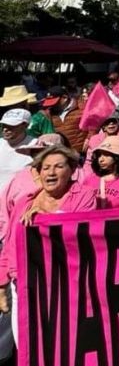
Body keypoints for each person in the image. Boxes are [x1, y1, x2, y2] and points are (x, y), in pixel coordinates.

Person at [0, 145, 96, 345]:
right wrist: (2, 283)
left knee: (61, 342)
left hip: (65, 281)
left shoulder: (85, 195)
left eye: (58, 166)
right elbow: (9, 243)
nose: (51, 172)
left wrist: (45, 219)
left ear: (71, 170)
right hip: (24, 281)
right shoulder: (24, 203)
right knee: (26, 342)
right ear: (38, 172)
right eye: (45, 167)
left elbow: (81, 228)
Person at [46, 86, 88, 152]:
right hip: (63, 152)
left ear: (65, 98)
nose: (52, 105)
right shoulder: (49, 112)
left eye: (55, 102)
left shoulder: (82, 107)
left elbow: (93, 125)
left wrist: (89, 138)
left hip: (82, 151)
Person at [0, 109, 35, 187]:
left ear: (25, 125)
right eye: (4, 125)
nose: (5, 129)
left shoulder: (35, 145)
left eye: (11, 126)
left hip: (19, 196)